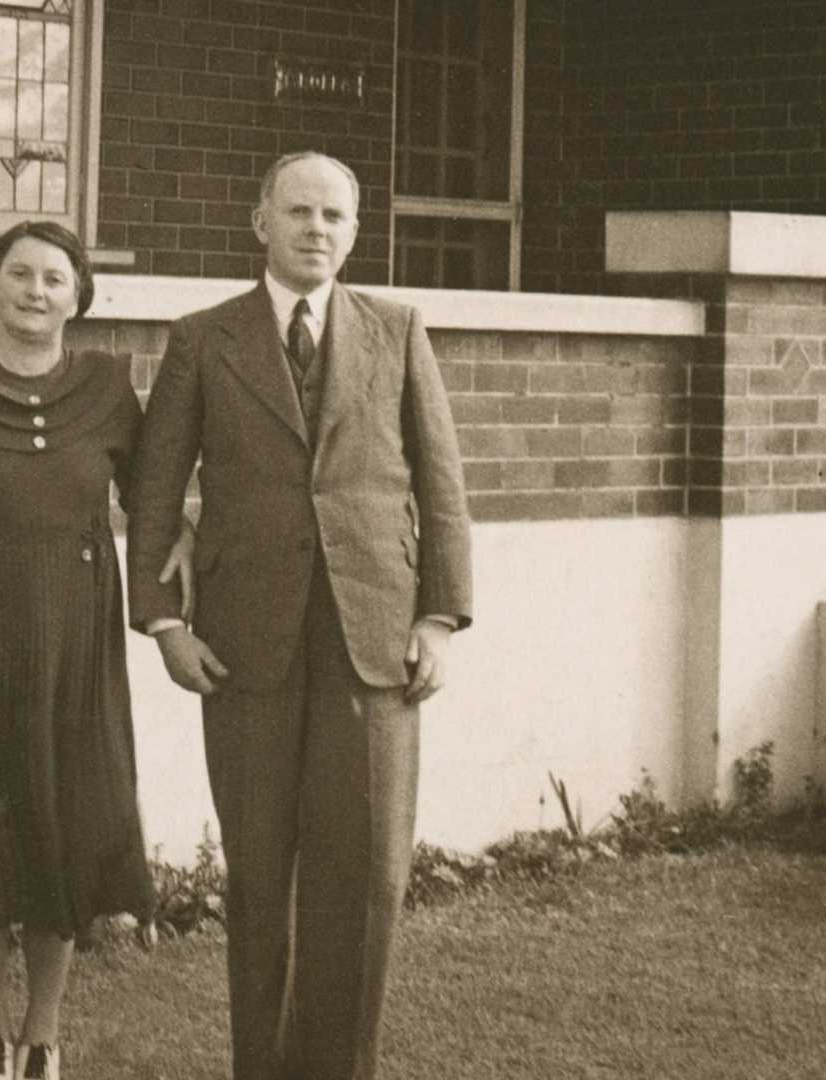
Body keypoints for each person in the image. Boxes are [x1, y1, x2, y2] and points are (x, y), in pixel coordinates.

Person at [125, 151, 474, 1080]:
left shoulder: (398, 331)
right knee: (261, 876)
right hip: (241, 645)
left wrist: (440, 617)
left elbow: (441, 486)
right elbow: (157, 490)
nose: (317, 229)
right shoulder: (204, 339)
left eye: (335, 216)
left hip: (376, 641)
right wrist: (164, 624)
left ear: (354, 232)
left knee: (364, 881)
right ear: (260, 221)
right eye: (298, 212)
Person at [0, 221, 192, 1080]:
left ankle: (45, 1033)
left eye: (55, 278)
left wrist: (187, 548)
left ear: (79, 296)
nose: (36, 291)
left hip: (78, 632)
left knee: (63, 821)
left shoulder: (107, 385)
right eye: (19, 275)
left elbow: (150, 497)